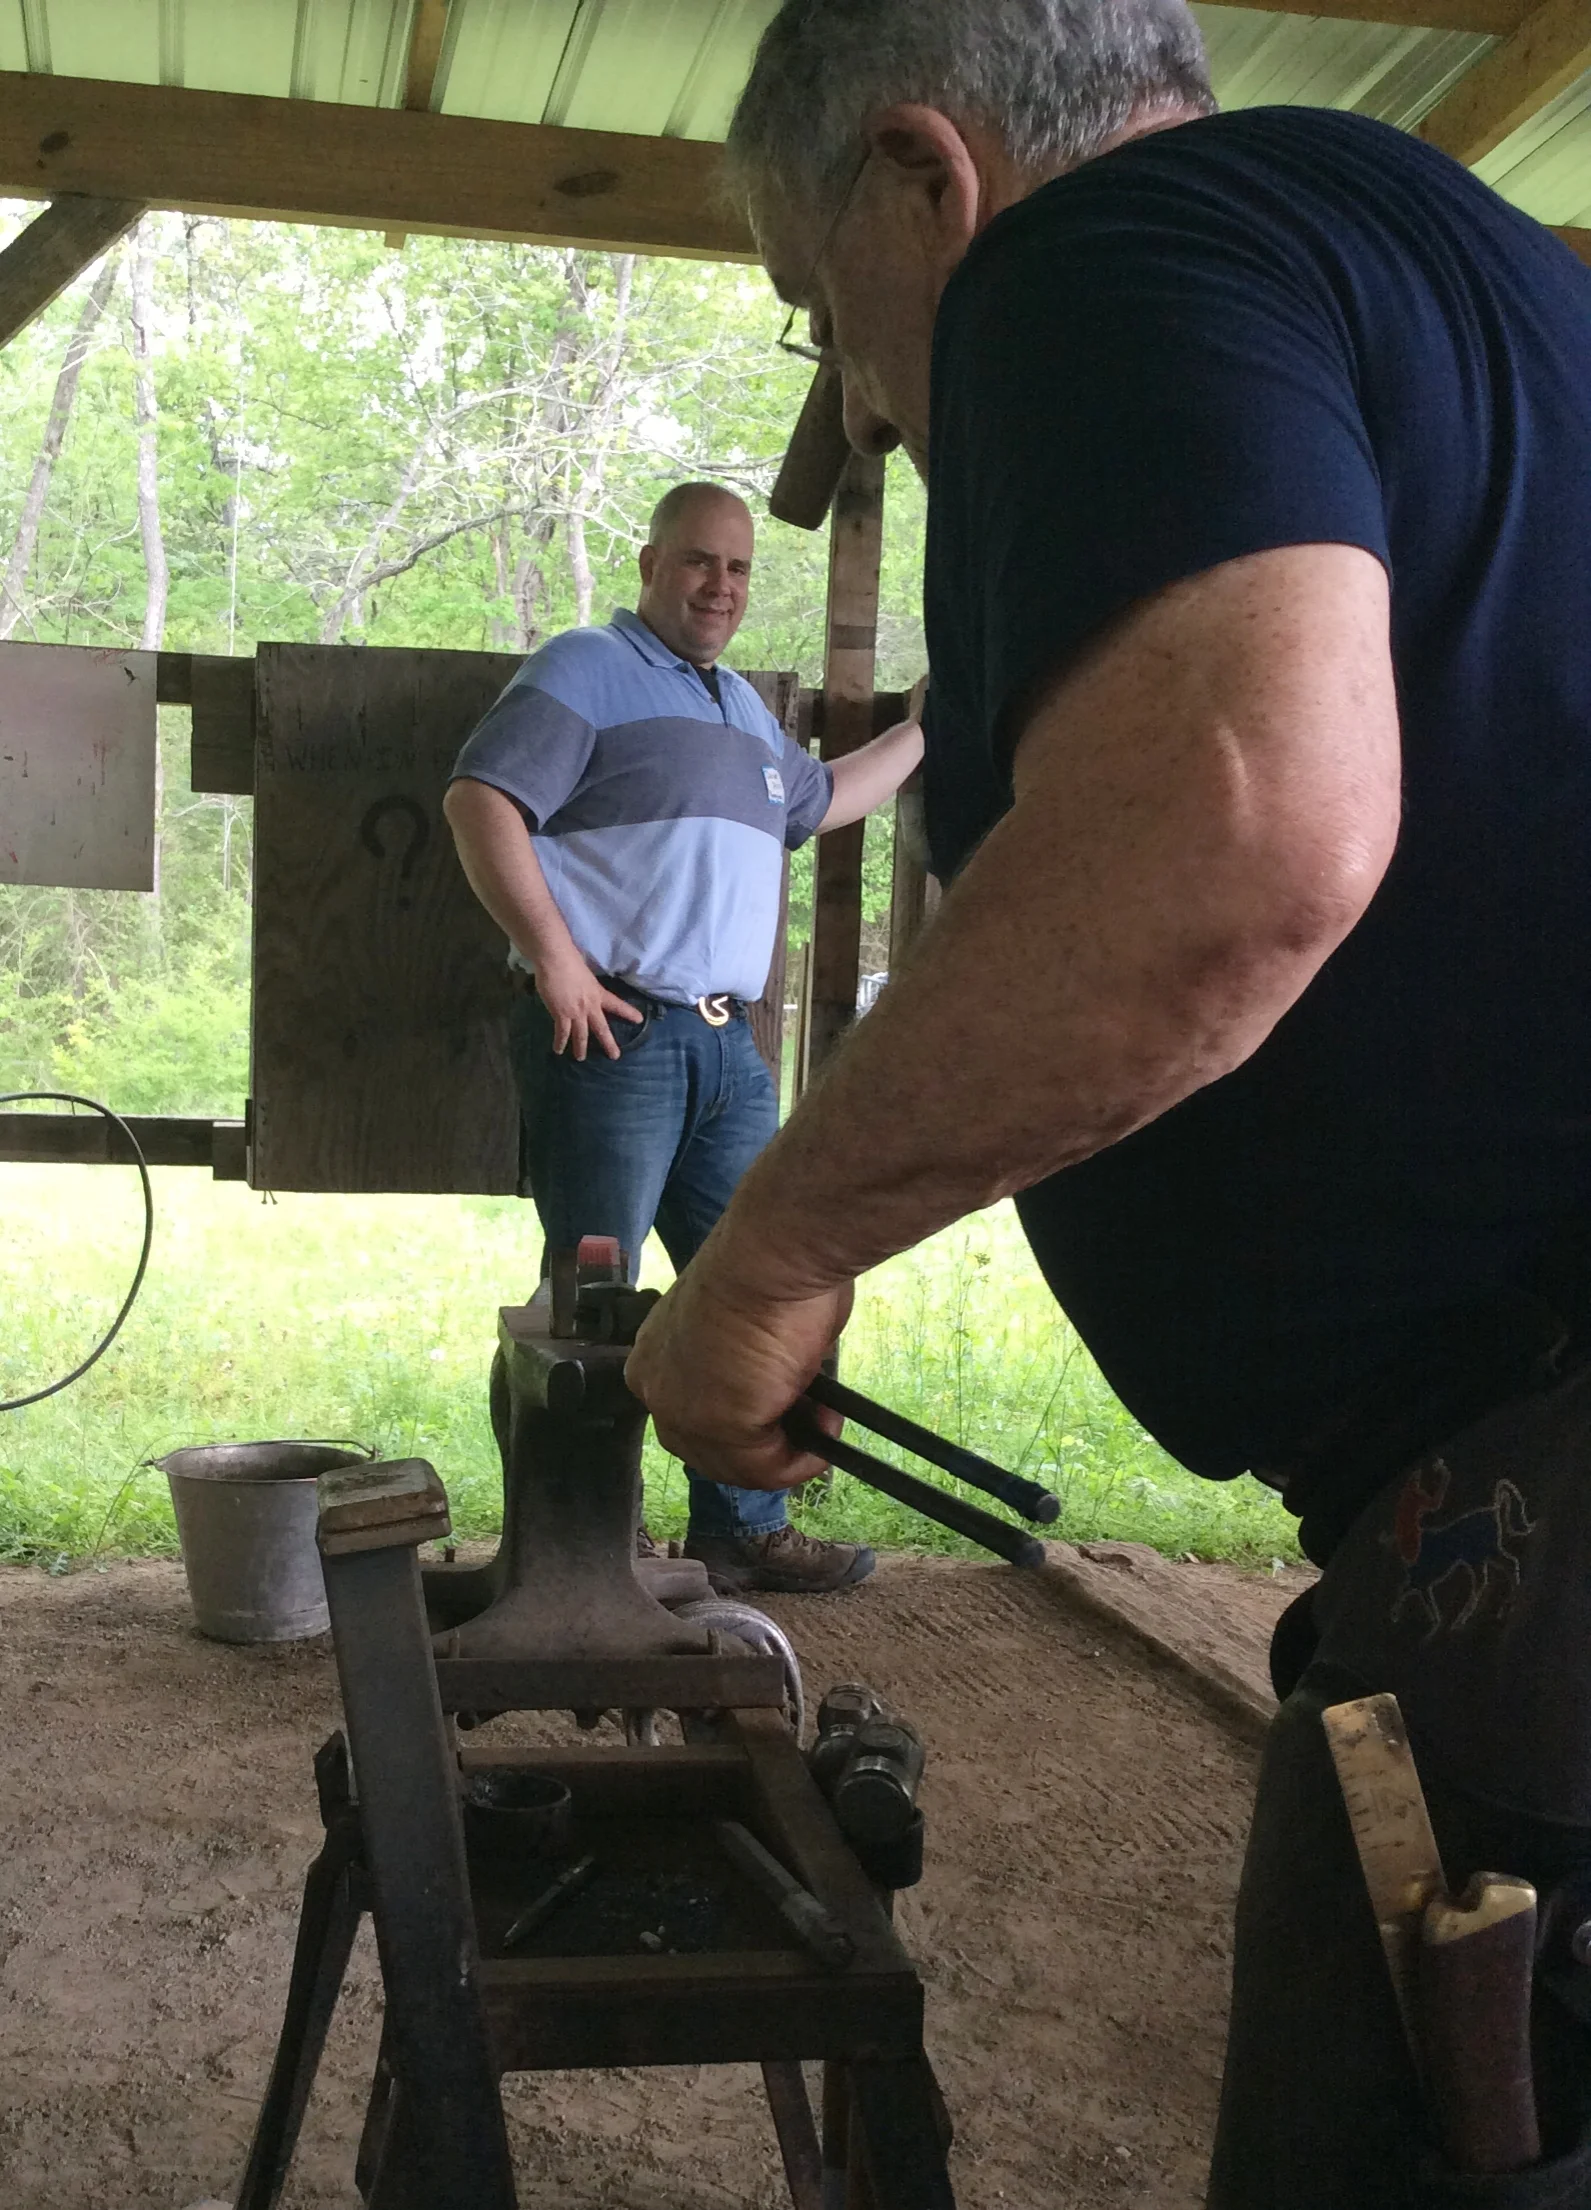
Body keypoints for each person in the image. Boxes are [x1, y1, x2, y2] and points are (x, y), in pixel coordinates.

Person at [623, 4, 1591, 2203]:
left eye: (819, 317)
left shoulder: (1099, 258)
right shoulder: (1462, 256)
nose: (862, 395)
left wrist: (773, 1255)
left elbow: (1234, 834)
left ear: (919, 177)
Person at [444, 480, 922, 1596]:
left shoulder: (740, 710)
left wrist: (927, 730)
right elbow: (480, 799)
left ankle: (740, 1528)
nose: (721, 586)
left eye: (740, 568)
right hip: (614, 1036)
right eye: (700, 562)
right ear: (652, 563)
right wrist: (555, 958)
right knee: (591, 1306)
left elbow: (823, 799)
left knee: (755, 1289)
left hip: (724, 1049)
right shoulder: (583, 667)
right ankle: (573, 1549)